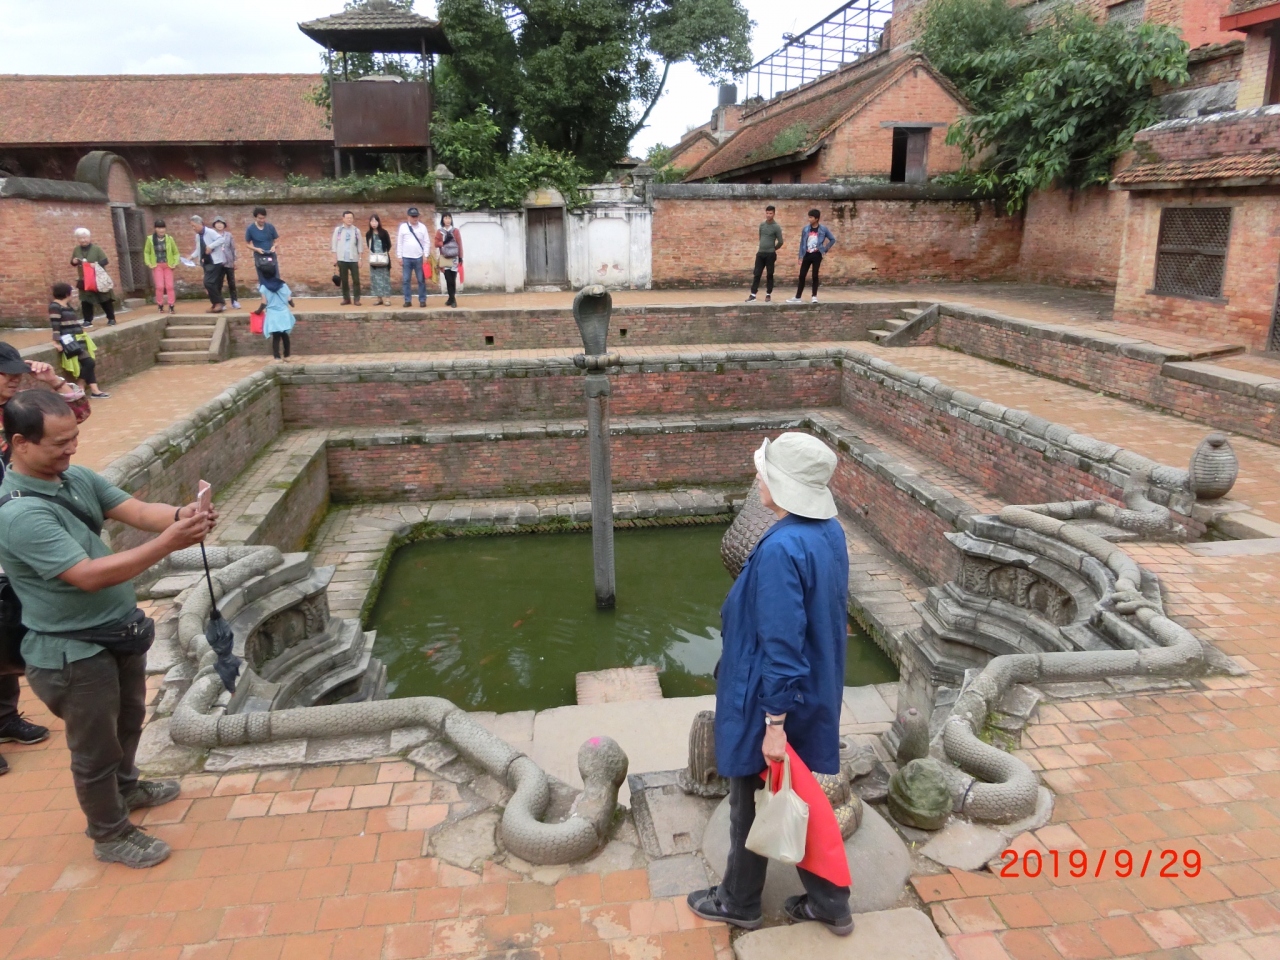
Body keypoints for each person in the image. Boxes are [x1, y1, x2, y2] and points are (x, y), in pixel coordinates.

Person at [0, 389, 216, 867]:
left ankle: (127, 788)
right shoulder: (19, 514)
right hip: (72, 653)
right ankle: (109, 833)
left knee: (128, 721)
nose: (71, 449)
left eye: (74, 437)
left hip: (115, 634)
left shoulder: (74, 477)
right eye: (59, 443)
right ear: (20, 443)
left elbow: (134, 510)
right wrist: (169, 543)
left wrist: (181, 516)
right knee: (94, 749)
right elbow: (88, 576)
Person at [687, 432, 853, 936]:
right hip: (810, 686)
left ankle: (739, 901)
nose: (757, 477)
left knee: (750, 797)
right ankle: (830, 902)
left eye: (765, 472)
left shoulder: (782, 547)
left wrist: (773, 723)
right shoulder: (827, 532)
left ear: (782, 486)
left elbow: (781, 644)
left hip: (767, 692)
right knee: (793, 793)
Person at [0, 345, 66, 776]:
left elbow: (74, 419)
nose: (13, 378)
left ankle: (5, 717)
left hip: (8, 533)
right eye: (5, 373)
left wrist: (53, 384)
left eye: (16, 371)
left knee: (4, 631)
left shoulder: (14, 412)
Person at [50, 283, 108, 399]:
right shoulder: (55, 306)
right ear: (67, 293)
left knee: (88, 362)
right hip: (68, 339)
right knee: (89, 362)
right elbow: (55, 324)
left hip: (78, 337)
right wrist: (56, 341)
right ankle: (80, 385)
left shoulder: (67, 305)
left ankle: (95, 390)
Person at [787, 210, 836, 304]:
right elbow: (802, 243)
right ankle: (798, 297)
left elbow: (832, 239)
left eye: (811, 217)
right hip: (807, 254)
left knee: (815, 275)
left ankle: (814, 296)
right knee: (802, 275)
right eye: (809, 217)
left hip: (817, 254)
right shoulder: (806, 229)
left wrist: (824, 249)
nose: (809, 219)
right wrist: (800, 256)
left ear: (816, 219)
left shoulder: (823, 229)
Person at [69, 228, 115, 327]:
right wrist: (74, 261)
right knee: (86, 300)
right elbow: (73, 262)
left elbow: (105, 261)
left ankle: (111, 318)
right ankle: (87, 320)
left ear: (89, 238)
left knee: (104, 299)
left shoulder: (96, 249)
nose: (83, 240)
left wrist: (96, 264)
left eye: (85, 238)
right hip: (85, 279)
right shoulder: (77, 250)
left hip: (97, 278)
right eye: (80, 238)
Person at [188, 216, 228, 313]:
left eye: (194, 226)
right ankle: (215, 304)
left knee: (208, 282)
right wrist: (191, 257)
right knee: (211, 284)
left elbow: (221, 239)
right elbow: (199, 249)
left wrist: (211, 246)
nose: (193, 228)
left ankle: (219, 303)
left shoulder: (210, 232)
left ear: (200, 224)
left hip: (215, 261)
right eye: (192, 226)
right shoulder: (198, 236)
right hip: (206, 262)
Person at [258, 262, 296, 362]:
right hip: (284, 313)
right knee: (285, 335)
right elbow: (289, 299)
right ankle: (287, 356)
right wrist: (292, 304)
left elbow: (264, 303)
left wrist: (258, 311)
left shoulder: (263, 287)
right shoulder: (283, 285)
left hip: (273, 314)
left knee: (276, 337)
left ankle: (277, 357)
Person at [747, 205, 784, 303]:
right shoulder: (762, 225)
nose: (768, 215)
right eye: (767, 213)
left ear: (774, 214)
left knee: (769, 274)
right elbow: (761, 237)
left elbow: (780, 241)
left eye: (770, 213)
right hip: (760, 253)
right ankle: (753, 294)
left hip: (770, 254)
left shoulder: (776, 227)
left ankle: (768, 294)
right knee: (757, 273)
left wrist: (773, 248)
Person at [142, 219, 180, 314]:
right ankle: (160, 304)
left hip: (168, 265)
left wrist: (175, 262)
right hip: (157, 265)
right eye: (159, 228)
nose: (161, 230)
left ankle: (171, 305)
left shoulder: (169, 239)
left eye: (163, 228)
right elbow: (146, 252)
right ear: (155, 229)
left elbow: (176, 252)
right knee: (160, 286)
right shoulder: (150, 239)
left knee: (170, 286)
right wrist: (148, 263)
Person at [396, 207, 431, 307]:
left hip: (419, 257)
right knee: (406, 280)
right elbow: (399, 242)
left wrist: (426, 255)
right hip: (406, 257)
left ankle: (422, 300)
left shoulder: (422, 227)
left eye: (416, 216)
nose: (415, 218)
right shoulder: (403, 227)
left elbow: (427, 242)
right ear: (408, 217)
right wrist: (399, 256)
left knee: (421, 280)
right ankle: (407, 300)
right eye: (413, 216)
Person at [331, 210, 363, 306]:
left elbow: (360, 246)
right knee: (344, 280)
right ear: (343, 219)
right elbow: (334, 244)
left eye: (351, 218)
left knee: (356, 280)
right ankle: (346, 298)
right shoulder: (338, 230)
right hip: (342, 258)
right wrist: (334, 257)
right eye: (347, 218)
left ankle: (357, 299)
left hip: (353, 259)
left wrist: (360, 259)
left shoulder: (356, 231)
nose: (349, 220)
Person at [433, 212, 463, 308]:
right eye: (445, 218)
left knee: (452, 280)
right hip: (444, 258)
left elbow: (459, 244)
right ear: (442, 220)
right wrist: (444, 242)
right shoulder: (440, 231)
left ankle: (452, 299)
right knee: (448, 279)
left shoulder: (455, 231)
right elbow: (436, 243)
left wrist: (461, 257)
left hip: (454, 258)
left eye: (449, 218)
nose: (447, 220)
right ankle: (452, 299)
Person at [244, 206, 280, 283]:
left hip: (271, 254)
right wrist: (256, 249)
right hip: (259, 256)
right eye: (260, 218)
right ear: (255, 218)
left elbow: (277, 241)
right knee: (263, 278)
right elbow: (247, 244)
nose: (262, 220)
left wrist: (274, 246)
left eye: (263, 218)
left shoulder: (270, 227)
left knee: (275, 276)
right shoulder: (250, 229)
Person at [212, 216, 240, 309]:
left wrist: (235, 260)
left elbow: (233, 248)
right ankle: (221, 302)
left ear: (224, 225)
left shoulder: (229, 235)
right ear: (214, 225)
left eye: (221, 223)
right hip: (218, 262)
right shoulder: (212, 235)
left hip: (229, 261)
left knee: (231, 282)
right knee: (219, 283)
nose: (219, 225)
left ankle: (234, 301)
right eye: (217, 223)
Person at [366, 214, 393, 306]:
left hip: (383, 259)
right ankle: (379, 298)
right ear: (370, 223)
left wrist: (382, 253)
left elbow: (389, 244)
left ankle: (387, 299)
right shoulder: (368, 234)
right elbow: (368, 245)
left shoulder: (384, 232)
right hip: (374, 260)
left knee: (385, 279)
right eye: (372, 221)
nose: (374, 223)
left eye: (375, 221)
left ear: (378, 222)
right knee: (375, 279)